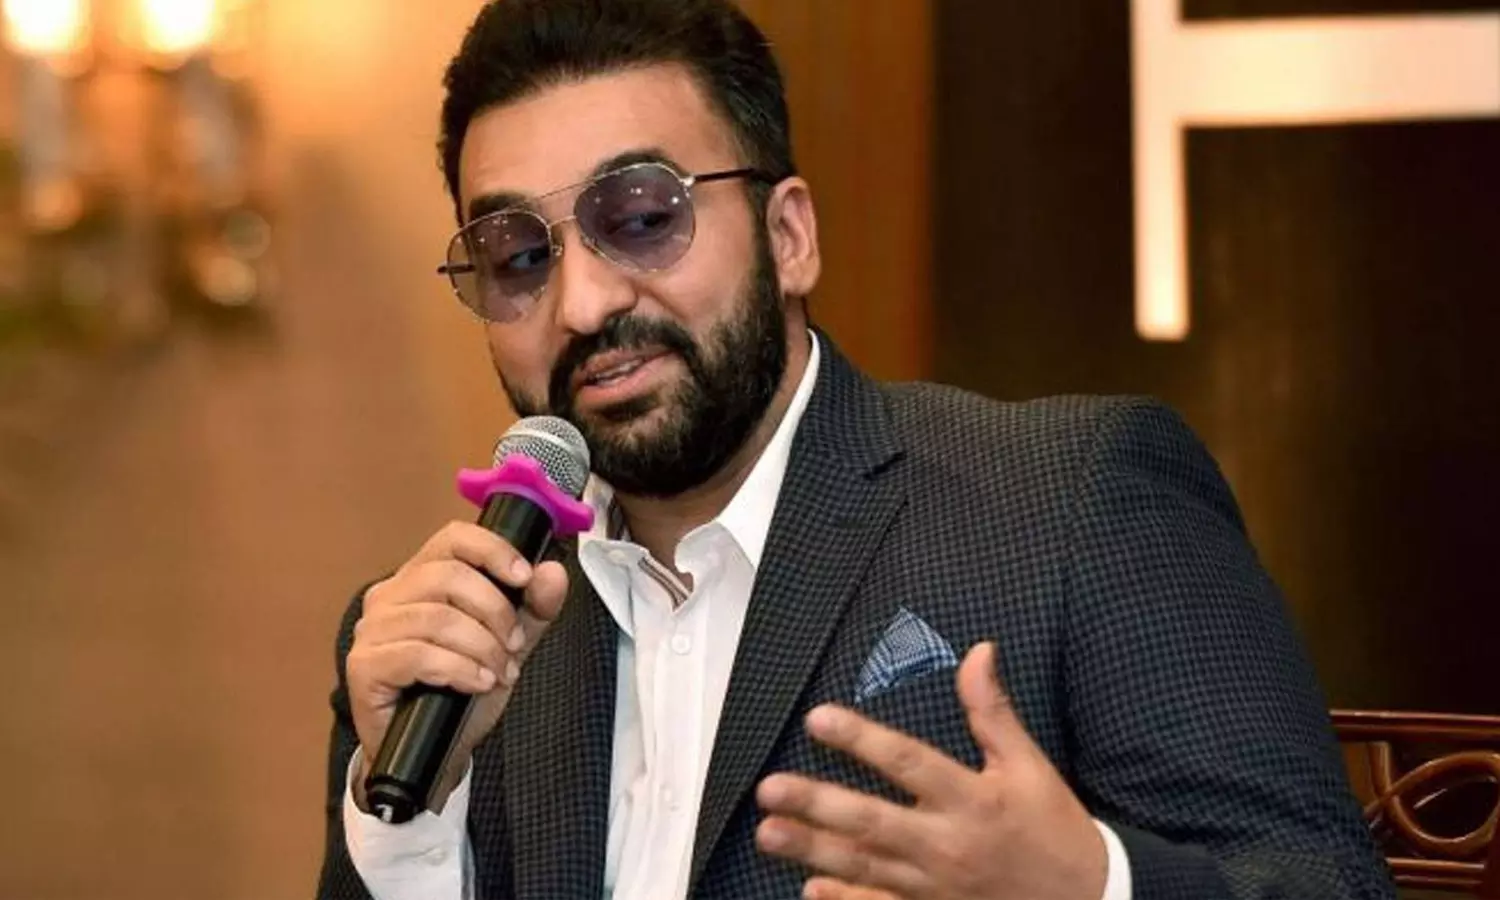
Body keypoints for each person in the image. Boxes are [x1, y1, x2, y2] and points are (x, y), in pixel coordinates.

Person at [315, 1, 1395, 898]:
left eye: (641, 217)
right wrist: (409, 820)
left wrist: (1093, 887)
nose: (584, 303)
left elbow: (1321, 883)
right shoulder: (450, 647)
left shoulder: (1072, 498)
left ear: (789, 236)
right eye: (517, 256)